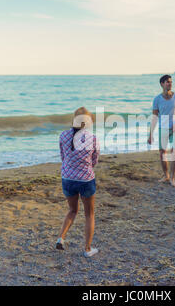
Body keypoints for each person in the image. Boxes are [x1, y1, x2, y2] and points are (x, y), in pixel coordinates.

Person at [56, 107, 100, 257]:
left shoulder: (63, 136)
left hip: (67, 178)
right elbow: (94, 161)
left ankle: (61, 238)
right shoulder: (92, 138)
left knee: (72, 210)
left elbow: (63, 157)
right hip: (85, 179)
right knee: (89, 214)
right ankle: (87, 249)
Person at [148, 75, 175, 187]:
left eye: (171, 82)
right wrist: (151, 134)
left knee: (174, 153)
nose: (170, 84)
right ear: (162, 84)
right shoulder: (157, 99)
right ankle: (166, 176)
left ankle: (172, 178)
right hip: (163, 127)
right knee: (162, 153)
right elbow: (154, 117)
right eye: (167, 82)